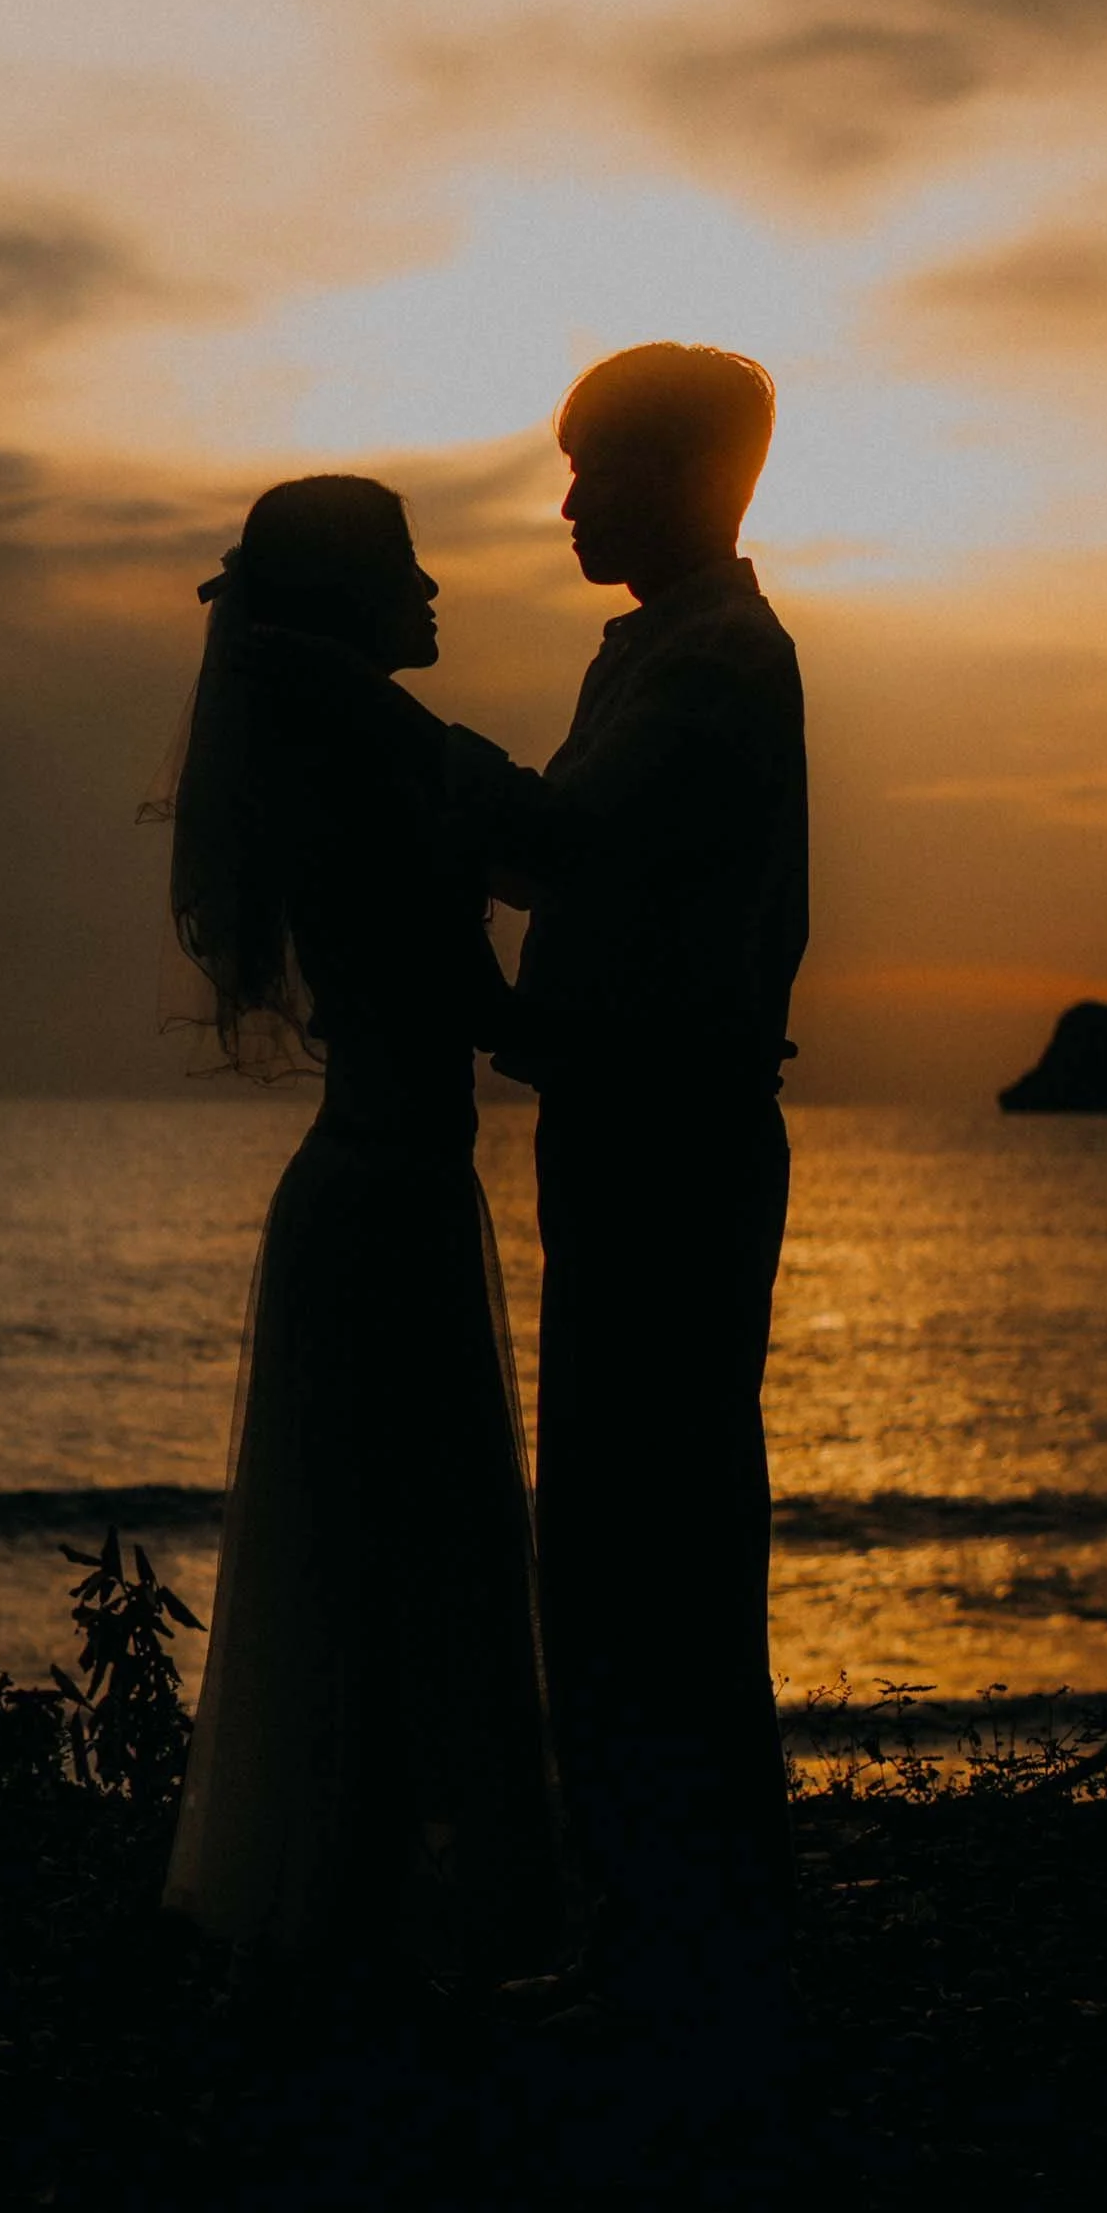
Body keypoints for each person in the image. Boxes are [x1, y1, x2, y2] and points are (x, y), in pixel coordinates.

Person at [156, 473, 565, 1998]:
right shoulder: (367, 788)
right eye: (411, 566)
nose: (439, 590)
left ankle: (359, 1895)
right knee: (416, 1553)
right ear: (352, 602)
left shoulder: (350, 765)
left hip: (379, 1184)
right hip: (388, 1197)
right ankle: (399, 1913)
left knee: (372, 1549)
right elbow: (482, 1007)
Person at [440, 344, 807, 2030]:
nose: (568, 499)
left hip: (670, 1146)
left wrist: (392, 755)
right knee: (641, 1518)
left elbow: (563, 849)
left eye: (593, 468)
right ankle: (684, 1909)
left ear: (689, 478)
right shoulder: (668, 657)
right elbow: (566, 867)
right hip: (639, 1135)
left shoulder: (713, 668)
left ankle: (678, 1931)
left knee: (633, 1528)